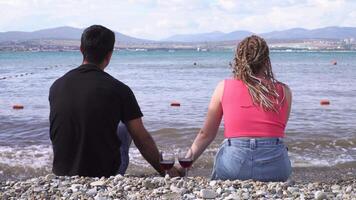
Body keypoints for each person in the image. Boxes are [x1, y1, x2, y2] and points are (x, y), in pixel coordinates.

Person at [49, 25, 177, 177]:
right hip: (105, 173)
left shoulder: (56, 86)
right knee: (125, 127)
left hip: (61, 172)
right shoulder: (119, 89)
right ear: (109, 54)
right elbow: (142, 139)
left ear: (81, 50)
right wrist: (169, 172)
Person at [181, 35, 292, 181]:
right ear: (266, 60)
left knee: (226, 148)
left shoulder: (223, 87)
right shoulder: (284, 91)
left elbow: (205, 134)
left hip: (234, 166)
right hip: (276, 168)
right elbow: (277, 131)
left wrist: (184, 165)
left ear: (239, 60)